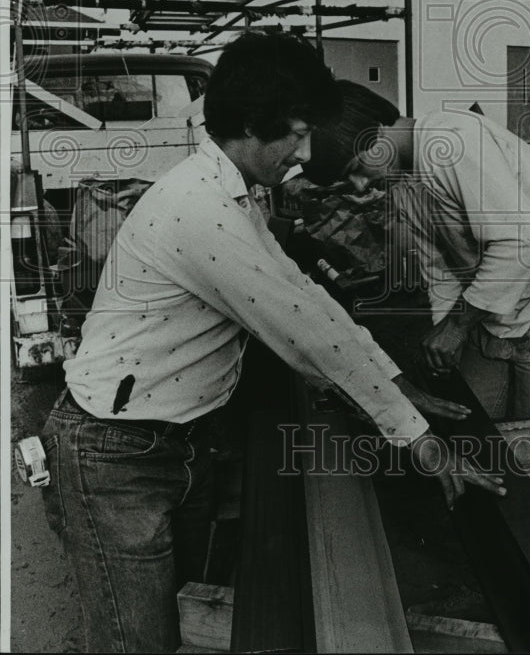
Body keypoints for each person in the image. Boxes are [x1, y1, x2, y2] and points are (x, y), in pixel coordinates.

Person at [40, 34, 504, 654]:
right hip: (117, 457)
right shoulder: (200, 209)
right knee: (137, 643)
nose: (306, 153)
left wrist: (396, 384)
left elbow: (304, 296)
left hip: (177, 439)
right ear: (257, 126)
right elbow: (303, 329)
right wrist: (415, 438)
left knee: (181, 614)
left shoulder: (232, 190)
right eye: (299, 133)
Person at [302, 80, 530, 435]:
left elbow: (522, 242)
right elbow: (439, 269)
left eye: (355, 167)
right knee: (477, 424)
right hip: (494, 306)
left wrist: (456, 326)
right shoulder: (404, 183)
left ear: (377, 131)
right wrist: (446, 337)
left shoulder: (452, 143)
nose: (358, 186)